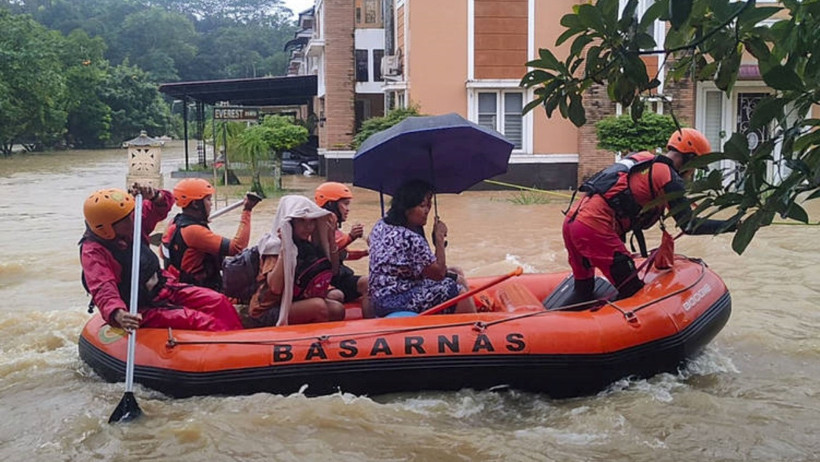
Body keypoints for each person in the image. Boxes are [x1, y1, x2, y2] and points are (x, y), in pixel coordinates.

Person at [562, 128, 737, 302]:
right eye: (695, 167)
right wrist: (733, 225)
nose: (692, 174)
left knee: (584, 288)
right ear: (688, 159)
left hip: (571, 222)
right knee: (632, 292)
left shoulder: (646, 161)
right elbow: (689, 225)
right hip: (594, 228)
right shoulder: (669, 177)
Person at [80, 184, 243, 332]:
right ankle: (227, 349)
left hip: (165, 287)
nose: (133, 217)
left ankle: (240, 339)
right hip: (140, 307)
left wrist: (154, 195)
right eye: (126, 218)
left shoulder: (131, 224)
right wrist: (118, 313)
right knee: (198, 320)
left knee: (218, 301)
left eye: (131, 213)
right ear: (107, 228)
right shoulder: (93, 252)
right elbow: (103, 288)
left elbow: (163, 205)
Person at [368, 180, 476, 317]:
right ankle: (475, 327)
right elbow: (439, 274)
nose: (427, 211)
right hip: (395, 299)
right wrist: (439, 239)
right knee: (458, 291)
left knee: (455, 272)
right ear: (406, 209)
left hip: (380, 295)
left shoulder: (382, 224)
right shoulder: (410, 238)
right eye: (422, 206)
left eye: (429, 205)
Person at [248, 195, 345, 327]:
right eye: (302, 222)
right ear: (290, 223)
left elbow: (333, 271)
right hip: (268, 310)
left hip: (294, 301)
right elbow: (275, 288)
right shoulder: (273, 247)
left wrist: (331, 238)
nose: (308, 227)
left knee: (337, 309)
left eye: (311, 222)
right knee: (319, 306)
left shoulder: (306, 244)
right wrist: (285, 248)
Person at [162, 178, 260, 291]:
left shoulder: (174, 222)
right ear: (195, 204)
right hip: (197, 289)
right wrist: (247, 210)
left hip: (181, 284)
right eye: (208, 199)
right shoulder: (193, 231)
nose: (211, 204)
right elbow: (237, 248)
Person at [314, 182, 372, 318]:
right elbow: (328, 248)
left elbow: (344, 254)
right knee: (336, 295)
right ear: (331, 204)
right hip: (324, 280)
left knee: (368, 282)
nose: (347, 209)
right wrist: (351, 237)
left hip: (338, 276)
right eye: (345, 204)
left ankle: (371, 324)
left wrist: (366, 252)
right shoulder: (315, 226)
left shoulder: (336, 230)